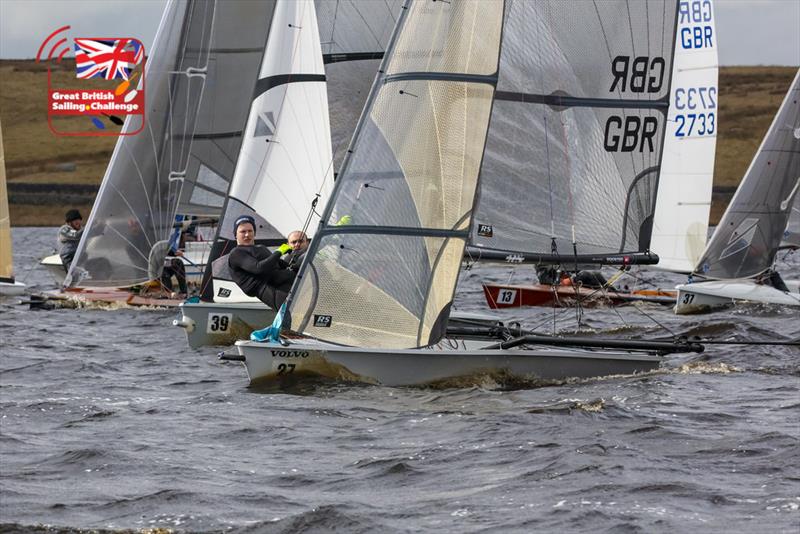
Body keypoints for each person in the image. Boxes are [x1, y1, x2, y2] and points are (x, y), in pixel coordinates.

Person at [228, 215, 296, 309]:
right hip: (268, 289)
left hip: (286, 282)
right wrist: (279, 252)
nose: (247, 234)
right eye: (243, 232)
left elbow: (279, 263)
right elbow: (258, 268)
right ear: (235, 234)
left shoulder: (261, 248)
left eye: (250, 231)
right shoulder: (236, 253)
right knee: (292, 311)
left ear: (254, 233)